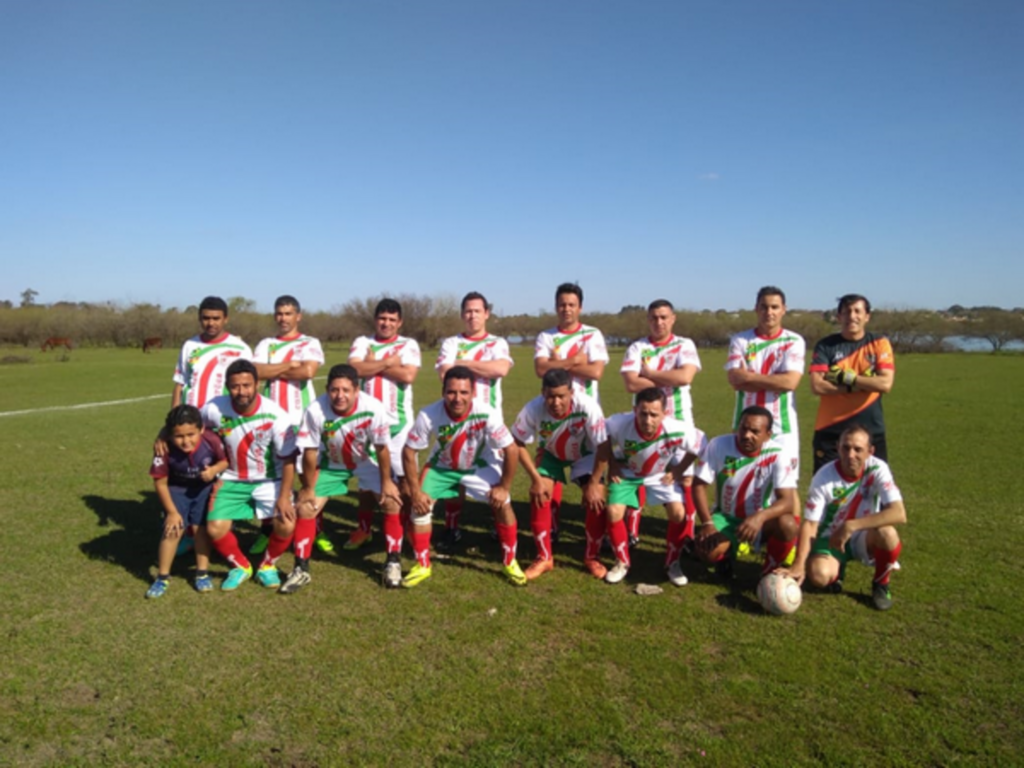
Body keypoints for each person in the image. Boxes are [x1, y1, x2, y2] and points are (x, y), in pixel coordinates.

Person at [400, 366, 525, 588]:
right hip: (441, 467)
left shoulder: (486, 413)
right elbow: (409, 451)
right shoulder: (428, 414)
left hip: (479, 466)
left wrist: (504, 487)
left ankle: (509, 562)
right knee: (419, 507)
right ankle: (422, 565)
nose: (457, 398)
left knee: (503, 504)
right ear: (443, 392)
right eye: (451, 392)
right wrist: (416, 491)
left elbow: (512, 450)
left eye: (463, 392)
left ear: (473, 392)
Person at [292, 365, 404, 592]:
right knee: (305, 507)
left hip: (366, 462)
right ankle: (300, 569)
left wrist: (387, 482)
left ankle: (393, 562)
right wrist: (307, 487)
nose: (339, 396)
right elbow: (310, 451)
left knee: (392, 501)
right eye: (334, 390)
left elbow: (382, 448)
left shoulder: (373, 407)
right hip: (333, 465)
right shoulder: (315, 409)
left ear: (356, 390)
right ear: (327, 390)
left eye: (345, 390)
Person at [776, 425, 905, 611]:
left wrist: (851, 526)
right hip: (831, 538)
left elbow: (898, 513)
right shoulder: (823, 477)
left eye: (858, 449)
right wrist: (798, 564)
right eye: (846, 448)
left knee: (888, 533)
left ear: (870, 451)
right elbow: (811, 523)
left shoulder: (878, 468)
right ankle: (837, 571)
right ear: (838, 448)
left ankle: (881, 584)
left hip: (862, 536)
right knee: (819, 576)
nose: (850, 455)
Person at [585, 387, 700, 586]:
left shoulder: (677, 428)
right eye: (643, 413)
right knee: (613, 512)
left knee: (678, 514)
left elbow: (699, 446)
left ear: (665, 413)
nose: (648, 420)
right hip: (627, 474)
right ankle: (622, 562)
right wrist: (612, 465)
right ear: (634, 409)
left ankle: (672, 563)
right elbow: (602, 439)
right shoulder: (619, 423)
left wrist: (679, 470)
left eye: (654, 415)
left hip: (659, 475)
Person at [200, 360, 299, 591]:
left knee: (286, 523)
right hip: (232, 478)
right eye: (235, 386)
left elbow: (288, 459)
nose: (241, 391)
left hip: (269, 479)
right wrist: (164, 434)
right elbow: (190, 422)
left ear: (257, 384)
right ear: (227, 386)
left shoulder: (275, 415)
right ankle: (241, 566)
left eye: (247, 385)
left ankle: (267, 566)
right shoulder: (214, 408)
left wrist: (284, 496)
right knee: (214, 528)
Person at [510, 369, 607, 580]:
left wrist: (592, 484)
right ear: (543, 392)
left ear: (571, 392)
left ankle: (592, 557)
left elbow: (603, 445)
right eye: (551, 396)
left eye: (561, 396)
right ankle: (544, 557)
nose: (555, 402)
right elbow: (516, 442)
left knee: (597, 498)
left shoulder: (588, 406)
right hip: (551, 454)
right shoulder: (533, 408)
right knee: (539, 495)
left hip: (585, 454)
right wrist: (536, 479)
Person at [619, 299, 702, 547]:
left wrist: (651, 374)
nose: (659, 322)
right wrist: (669, 379)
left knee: (685, 478)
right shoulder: (637, 347)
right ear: (648, 319)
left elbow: (685, 377)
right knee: (641, 471)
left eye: (664, 317)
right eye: (654, 317)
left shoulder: (684, 345)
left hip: (678, 420)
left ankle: (687, 536)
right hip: (645, 421)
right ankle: (632, 532)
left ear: (673, 318)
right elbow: (631, 384)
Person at [435, 291, 514, 548]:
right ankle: (451, 527)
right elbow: (445, 375)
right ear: (462, 314)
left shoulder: (497, 342)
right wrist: (480, 366)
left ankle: (497, 526)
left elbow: (500, 369)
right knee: (454, 475)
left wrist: (462, 363)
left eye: (477, 311)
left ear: (486, 313)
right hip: (456, 421)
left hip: (489, 424)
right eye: (468, 311)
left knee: (495, 478)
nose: (472, 316)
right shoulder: (450, 342)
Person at [249, 295, 325, 556]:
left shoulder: (309, 342)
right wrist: (289, 365)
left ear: (298, 316)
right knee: (271, 476)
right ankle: (267, 529)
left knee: (307, 476)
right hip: (270, 421)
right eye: (279, 313)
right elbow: (255, 371)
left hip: (302, 420)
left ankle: (315, 528)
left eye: (288, 313)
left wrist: (273, 369)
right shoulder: (266, 344)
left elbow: (307, 372)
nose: (283, 318)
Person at [534, 283, 609, 541]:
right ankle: (552, 528)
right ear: (556, 307)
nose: (566, 309)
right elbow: (541, 370)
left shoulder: (592, 334)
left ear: (580, 307)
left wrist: (558, 366)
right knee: (548, 474)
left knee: (593, 481)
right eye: (562, 304)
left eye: (572, 304)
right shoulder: (546, 336)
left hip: (585, 417)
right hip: (553, 414)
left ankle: (596, 539)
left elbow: (596, 371)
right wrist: (576, 361)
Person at [692, 406, 800, 581]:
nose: (747, 435)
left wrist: (760, 517)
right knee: (707, 552)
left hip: (762, 521)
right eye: (743, 428)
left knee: (788, 524)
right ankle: (725, 558)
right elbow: (698, 485)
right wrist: (707, 523)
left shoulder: (778, 454)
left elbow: (787, 501)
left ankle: (770, 569)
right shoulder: (719, 445)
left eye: (755, 431)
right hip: (726, 517)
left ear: (768, 434)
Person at [348, 298, 422, 549]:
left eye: (392, 320)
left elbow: (408, 374)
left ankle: (407, 528)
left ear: (399, 322)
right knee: (368, 483)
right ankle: (364, 528)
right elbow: (354, 370)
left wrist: (373, 364)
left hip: (399, 424)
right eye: (382, 319)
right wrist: (390, 362)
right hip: (366, 424)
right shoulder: (363, 342)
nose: (386, 324)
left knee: (406, 480)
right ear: (375, 319)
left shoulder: (408, 344)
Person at [145, 405, 228, 598]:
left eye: (191, 434)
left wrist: (214, 471)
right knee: (173, 530)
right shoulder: (163, 448)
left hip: (203, 489)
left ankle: (202, 573)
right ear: (170, 435)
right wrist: (172, 512)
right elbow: (160, 482)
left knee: (200, 529)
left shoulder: (211, 440)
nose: (185, 441)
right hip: (177, 489)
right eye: (179, 436)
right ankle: (162, 577)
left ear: (201, 429)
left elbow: (224, 461)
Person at [809, 293, 895, 473]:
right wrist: (863, 384)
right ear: (839, 316)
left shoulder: (880, 343)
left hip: (871, 430)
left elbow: (885, 383)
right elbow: (817, 386)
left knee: (873, 491)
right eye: (847, 312)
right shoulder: (825, 346)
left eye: (857, 311)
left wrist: (848, 378)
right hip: (831, 430)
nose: (852, 316)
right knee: (828, 490)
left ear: (867, 316)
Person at [725, 286, 805, 470]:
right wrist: (775, 381)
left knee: (786, 487)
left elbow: (790, 382)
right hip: (744, 426)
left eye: (775, 307)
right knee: (741, 480)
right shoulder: (740, 340)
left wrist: (749, 377)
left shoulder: (794, 341)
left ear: (784, 309)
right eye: (764, 307)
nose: (769, 312)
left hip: (781, 427)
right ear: (756, 309)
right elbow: (735, 381)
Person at [172, 296, 253, 409]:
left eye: (216, 318)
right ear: (199, 319)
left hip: (223, 416)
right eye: (206, 318)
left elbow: (249, 388)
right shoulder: (190, 345)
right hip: (191, 419)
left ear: (225, 319)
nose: (211, 323)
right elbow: (180, 383)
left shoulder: (240, 349)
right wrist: (174, 414)